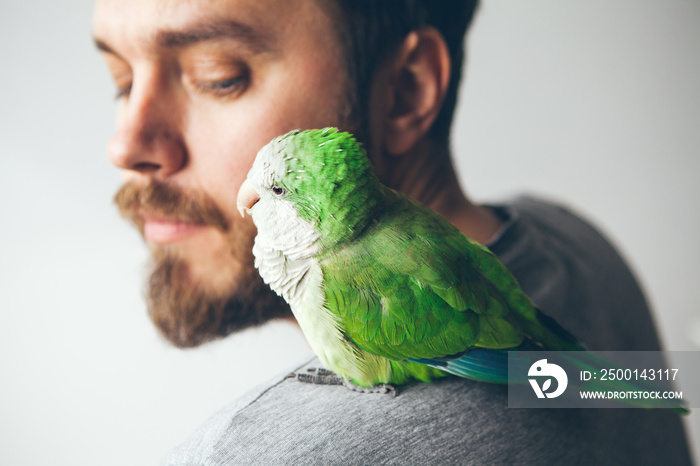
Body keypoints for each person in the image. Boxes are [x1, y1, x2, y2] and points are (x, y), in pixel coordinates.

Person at [93, 0, 692, 463]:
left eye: (218, 75)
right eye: (120, 82)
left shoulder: (242, 454)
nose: (125, 145)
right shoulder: (569, 237)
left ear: (406, 90)